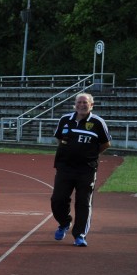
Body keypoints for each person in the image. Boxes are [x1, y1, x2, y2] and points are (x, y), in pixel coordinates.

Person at [50, 92, 112, 247]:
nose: (82, 105)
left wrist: (90, 154)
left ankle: (80, 235)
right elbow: (59, 139)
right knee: (58, 199)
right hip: (65, 167)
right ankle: (64, 223)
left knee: (83, 202)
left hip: (86, 170)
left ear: (91, 105)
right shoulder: (65, 120)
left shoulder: (98, 122)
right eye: (79, 102)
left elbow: (106, 143)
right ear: (75, 104)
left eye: (85, 102)